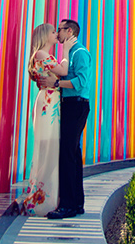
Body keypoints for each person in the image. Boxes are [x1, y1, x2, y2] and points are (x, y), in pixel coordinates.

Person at [19, 23, 76, 216]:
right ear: (45, 36)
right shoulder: (42, 55)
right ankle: (41, 197)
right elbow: (63, 71)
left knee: (51, 149)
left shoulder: (40, 56)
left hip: (49, 103)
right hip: (48, 104)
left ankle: (44, 195)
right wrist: (66, 51)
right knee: (49, 148)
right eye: (53, 32)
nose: (56, 34)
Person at [41, 19, 91, 219]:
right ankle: (76, 203)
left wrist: (57, 82)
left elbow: (81, 82)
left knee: (67, 154)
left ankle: (68, 205)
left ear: (69, 31)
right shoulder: (71, 53)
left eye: (59, 30)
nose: (57, 34)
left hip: (76, 105)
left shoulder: (79, 53)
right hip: (71, 106)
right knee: (72, 154)